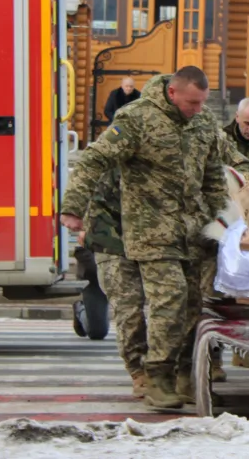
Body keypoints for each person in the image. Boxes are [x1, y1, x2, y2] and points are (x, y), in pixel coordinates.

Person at [60, 67, 229, 410]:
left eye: (202, 102)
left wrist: (224, 220)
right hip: (149, 230)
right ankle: (157, 377)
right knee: (170, 298)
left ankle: (184, 374)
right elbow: (94, 159)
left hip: (192, 232)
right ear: (172, 93)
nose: (198, 109)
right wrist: (73, 207)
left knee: (194, 304)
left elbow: (212, 175)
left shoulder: (203, 122)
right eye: (192, 102)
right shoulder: (137, 118)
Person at [82, 167, 151, 398]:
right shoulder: (104, 161)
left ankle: (166, 370)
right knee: (128, 308)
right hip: (113, 244)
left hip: (156, 242)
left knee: (169, 307)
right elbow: (83, 191)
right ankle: (139, 372)